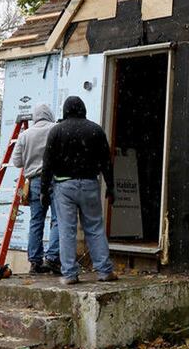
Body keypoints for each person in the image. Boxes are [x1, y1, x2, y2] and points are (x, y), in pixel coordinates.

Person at [41, 96, 118, 285]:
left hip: (64, 186)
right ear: (83, 109)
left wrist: (43, 190)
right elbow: (106, 162)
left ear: (65, 111)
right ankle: (104, 271)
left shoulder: (57, 131)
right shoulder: (95, 130)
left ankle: (69, 275)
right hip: (90, 184)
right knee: (95, 228)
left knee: (66, 230)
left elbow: (47, 163)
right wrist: (111, 185)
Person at [11, 103, 60, 275]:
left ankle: (35, 261)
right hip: (55, 179)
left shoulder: (25, 135)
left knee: (36, 221)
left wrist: (32, 161)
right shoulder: (56, 129)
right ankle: (53, 258)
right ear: (49, 114)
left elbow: (16, 162)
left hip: (34, 182)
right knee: (57, 219)